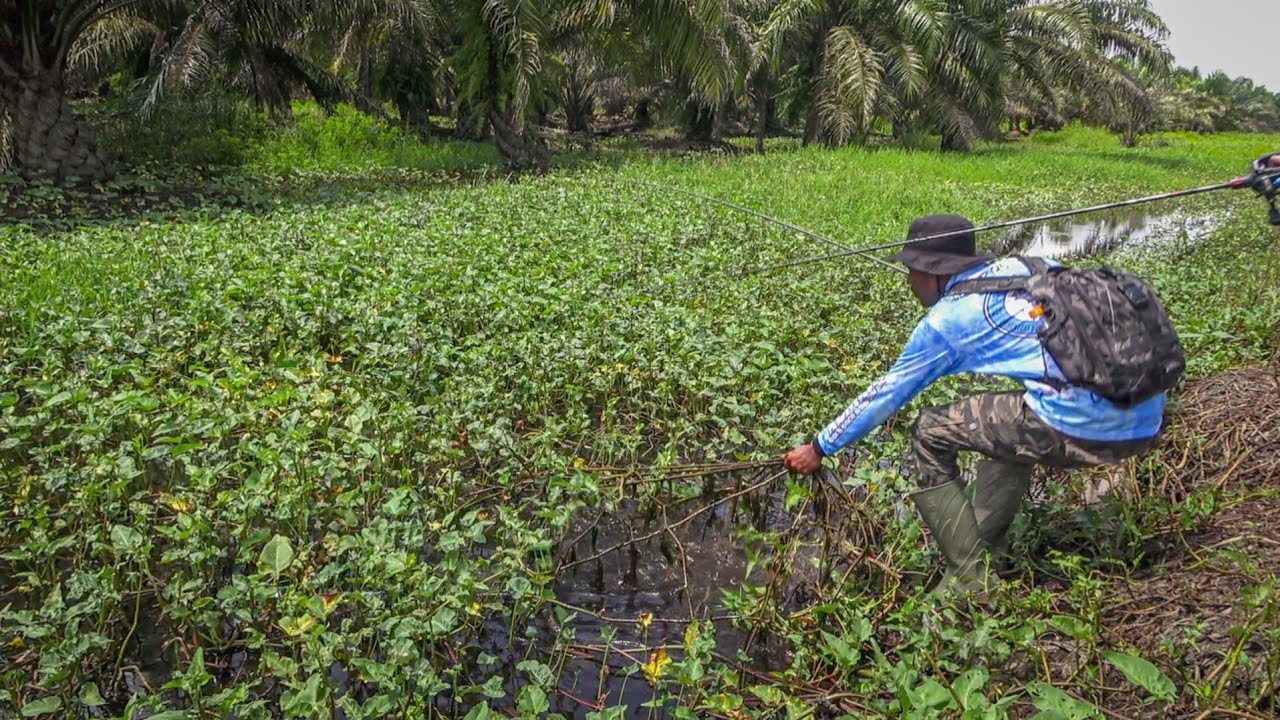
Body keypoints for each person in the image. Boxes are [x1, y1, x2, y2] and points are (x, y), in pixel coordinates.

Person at [782, 214, 1166, 593]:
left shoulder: (946, 322)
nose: (909, 281)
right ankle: (989, 548)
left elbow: (887, 391)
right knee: (1006, 430)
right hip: (1145, 415)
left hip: (1088, 426)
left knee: (930, 430)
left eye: (912, 271)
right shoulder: (1030, 266)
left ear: (932, 272)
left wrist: (819, 446)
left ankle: (968, 579)